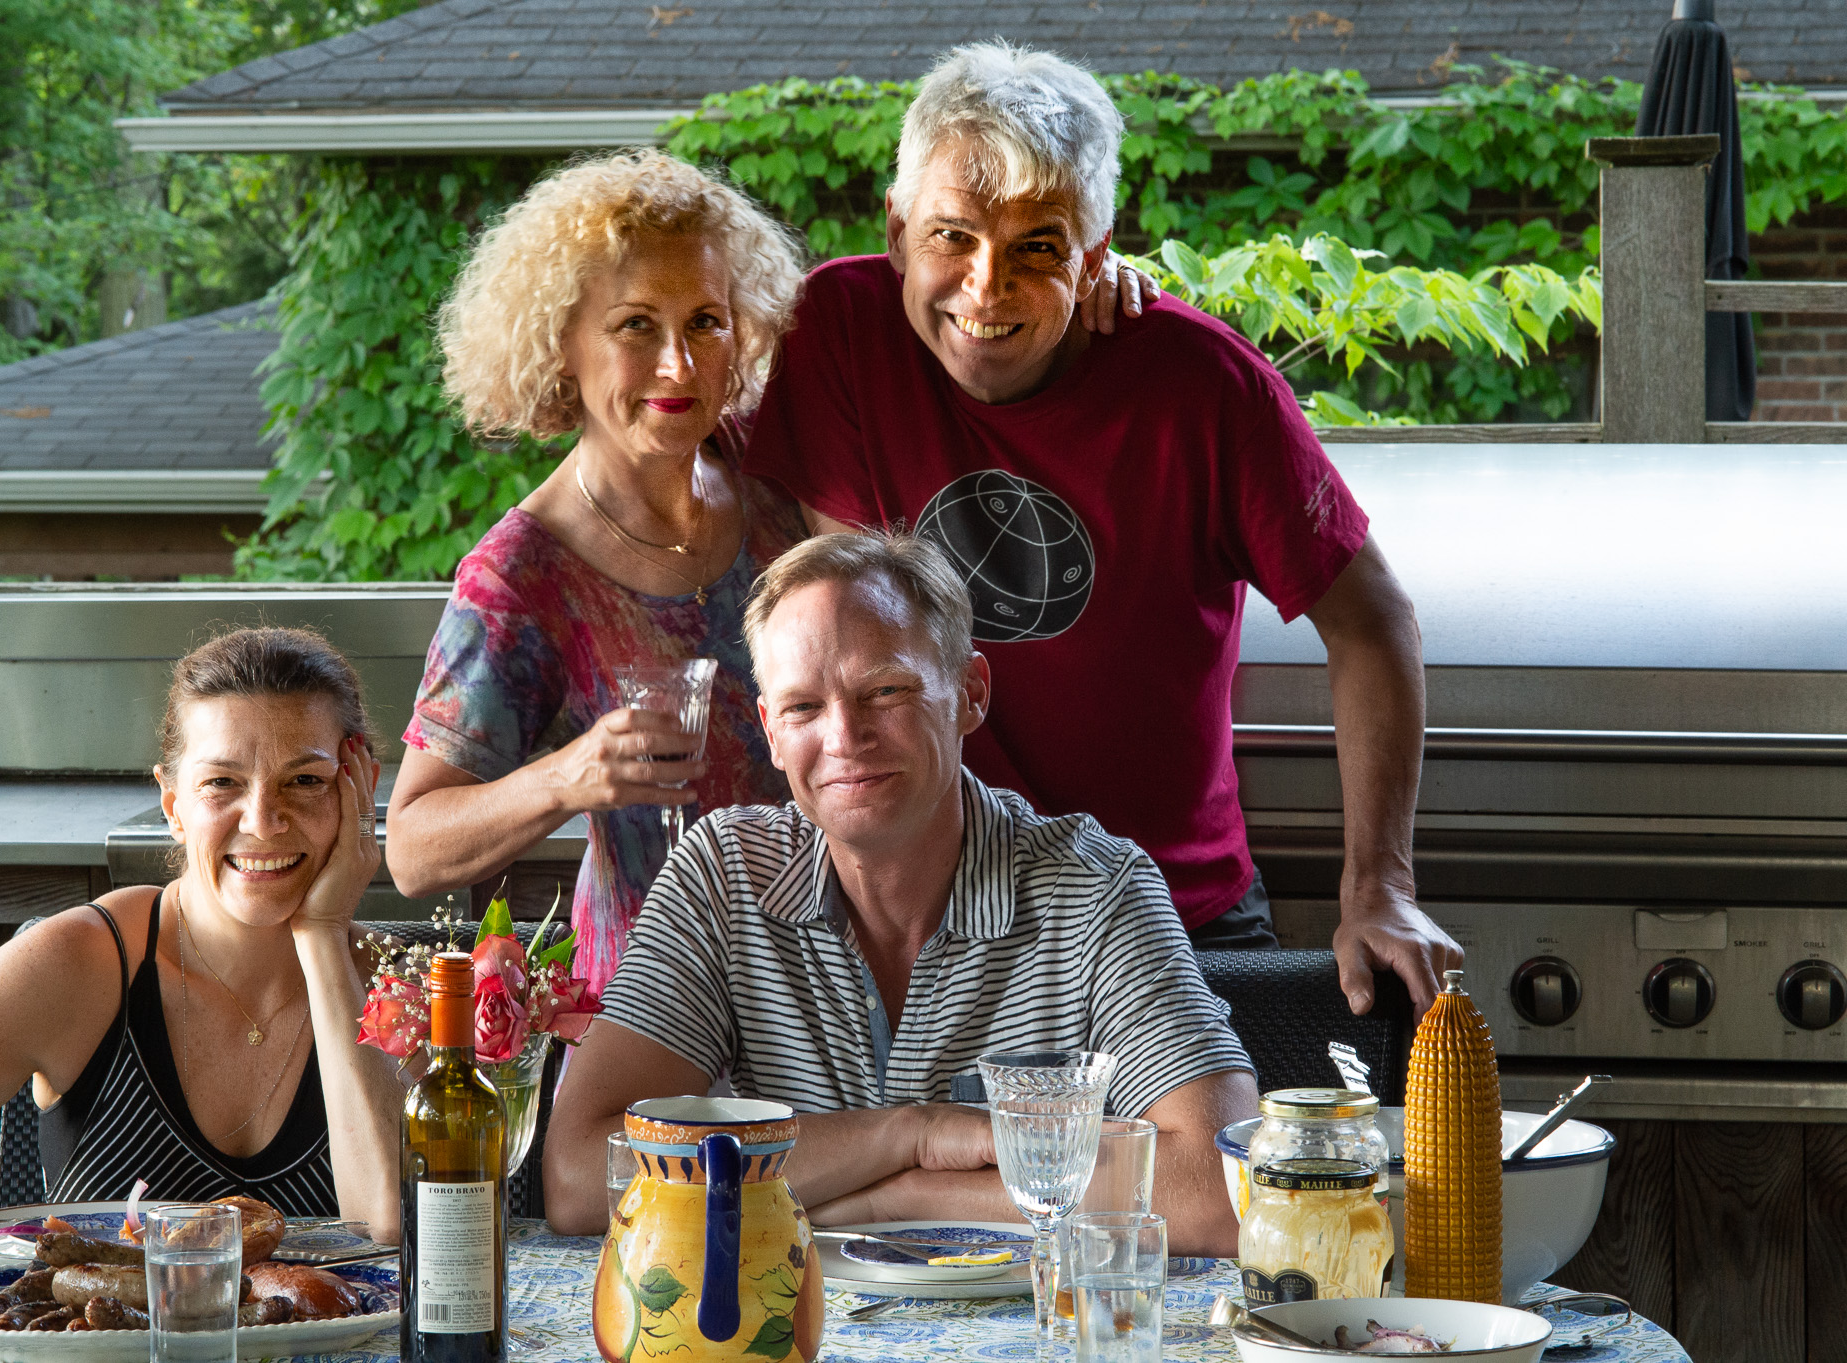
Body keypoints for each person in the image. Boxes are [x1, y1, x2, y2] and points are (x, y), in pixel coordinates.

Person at [741, 42, 1460, 1015]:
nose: (985, 286)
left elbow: (1371, 619)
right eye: (952, 236)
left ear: (1094, 255)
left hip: (1171, 920)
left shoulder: (1206, 387)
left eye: (1038, 246)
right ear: (897, 230)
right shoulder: (837, 331)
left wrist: (1380, 885)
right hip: (922, 919)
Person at [545, 533, 1258, 1255]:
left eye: (884, 691)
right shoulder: (724, 874)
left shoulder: (1095, 886)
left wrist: (897, 1198)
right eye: (802, 707)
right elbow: (578, 1175)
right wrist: (911, 1134)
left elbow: (1221, 1191)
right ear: (770, 733)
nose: (844, 736)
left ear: (970, 693)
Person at [0, 627, 405, 1239]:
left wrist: (324, 936)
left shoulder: (402, 986)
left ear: (359, 795)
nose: (263, 821)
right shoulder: (75, 963)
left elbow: (390, 1225)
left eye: (306, 781)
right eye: (221, 782)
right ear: (172, 805)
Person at [383, 150, 810, 996]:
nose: (678, 365)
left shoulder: (773, 471)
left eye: (706, 322)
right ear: (561, 347)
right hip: (656, 1009)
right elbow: (413, 849)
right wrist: (566, 776)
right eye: (636, 325)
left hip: (822, 992)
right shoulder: (522, 574)